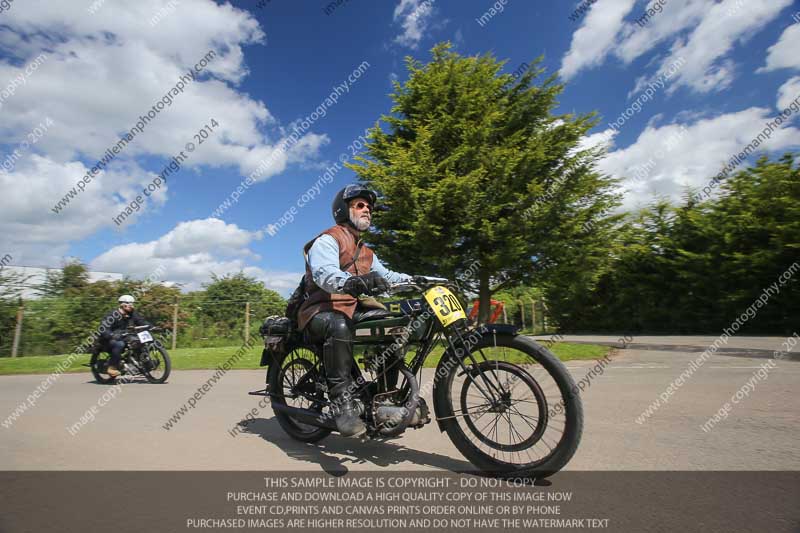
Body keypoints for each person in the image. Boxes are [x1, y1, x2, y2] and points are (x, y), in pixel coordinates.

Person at [297, 184, 412, 437]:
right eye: (360, 205)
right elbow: (325, 274)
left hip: (352, 309)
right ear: (343, 210)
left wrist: (427, 281)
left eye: (369, 207)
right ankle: (342, 406)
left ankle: (385, 397)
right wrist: (354, 282)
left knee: (390, 323)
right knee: (338, 324)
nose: (367, 210)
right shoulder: (329, 239)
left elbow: (390, 277)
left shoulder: (367, 252)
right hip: (319, 310)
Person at [99, 295, 150, 377]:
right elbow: (103, 328)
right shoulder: (112, 315)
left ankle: (144, 363)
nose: (131, 305)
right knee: (120, 344)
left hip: (125, 336)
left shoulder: (132, 314)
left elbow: (141, 321)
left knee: (140, 341)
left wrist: (151, 326)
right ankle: (112, 367)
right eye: (129, 303)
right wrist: (111, 335)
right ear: (122, 304)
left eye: (132, 304)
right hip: (109, 339)